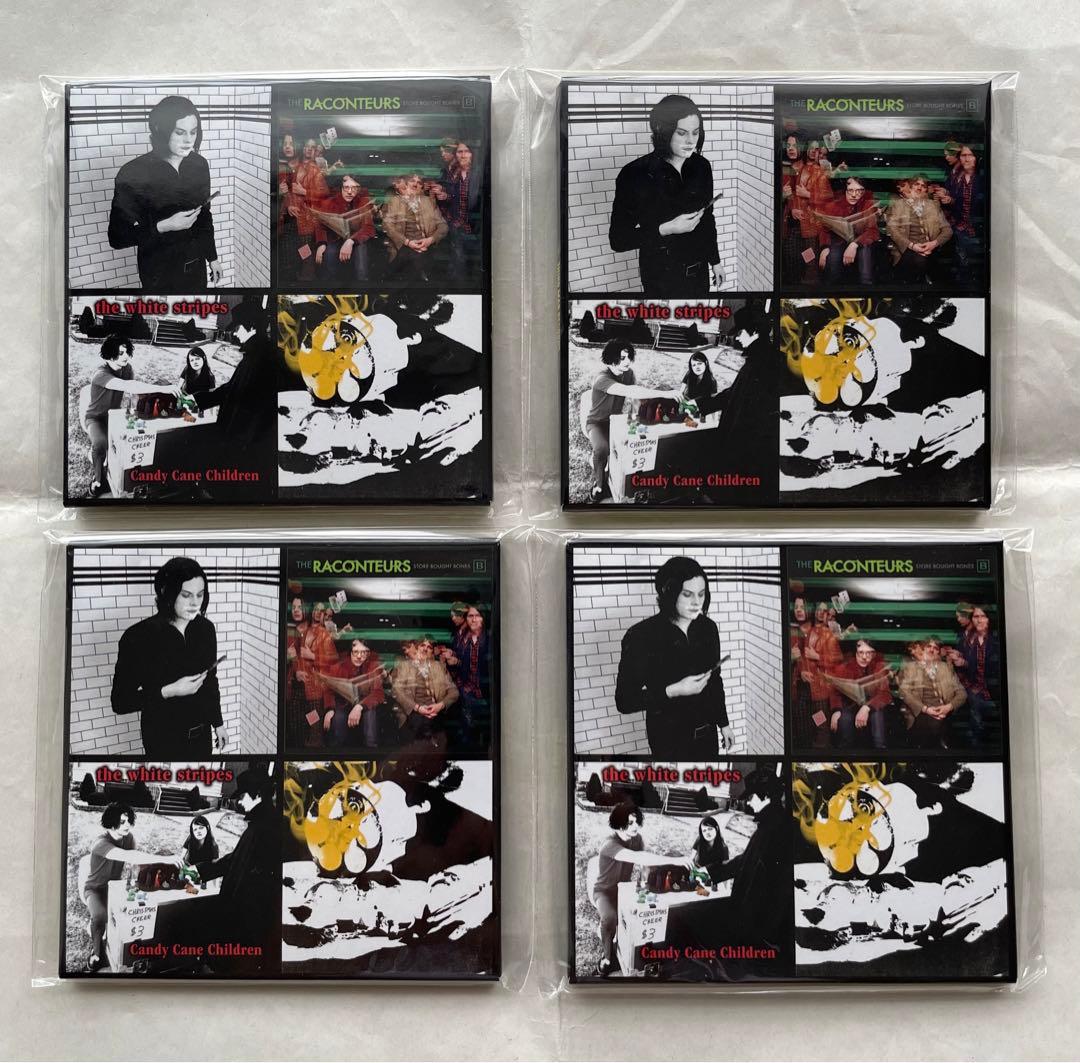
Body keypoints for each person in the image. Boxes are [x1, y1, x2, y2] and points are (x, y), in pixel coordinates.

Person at [614, 556, 734, 758]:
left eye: (702, 594)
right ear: (668, 593)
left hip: (707, 735)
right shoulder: (641, 636)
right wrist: (673, 691)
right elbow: (624, 701)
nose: (697, 602)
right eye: (687, 594)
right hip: (667, 740)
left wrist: (724, 724)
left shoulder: (708, 628)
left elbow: (715, 681)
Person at [111, 556, 228, 757]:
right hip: (162, 741)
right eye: (186, 595)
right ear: (166, 592)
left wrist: (218, 724)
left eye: (200, 595)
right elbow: (120, 702)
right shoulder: (138, 637)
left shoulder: (206, 629)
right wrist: (169, 691)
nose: (195, 603)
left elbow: (210, 682)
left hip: (201, 738)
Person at [608, 95, 723, 296]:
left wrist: (716, 262)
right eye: (681, 133)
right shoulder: (634, 174)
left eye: (696, 132)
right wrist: (667, 228)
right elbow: (618, 240)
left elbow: (707, 219)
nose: (691, 141)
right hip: (660, 278)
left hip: (699, 274)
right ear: (662, 130)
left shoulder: (702, 167)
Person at [107, 96, 222, 290]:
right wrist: (163, 226)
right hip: (157, 272)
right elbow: (117, 237)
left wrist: (213, 258)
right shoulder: (133, 172)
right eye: (180, 132)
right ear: (161, 130)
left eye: (193, 132)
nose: (188, 140)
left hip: (195, 267)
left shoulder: (199, 165)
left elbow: (204, 216)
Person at [591, 803, 692, 977]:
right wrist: (676, 860)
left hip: (624, 889)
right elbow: (638, 857)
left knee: (640, 915)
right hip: (604, 892)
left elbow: (644, 865)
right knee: (610, 918)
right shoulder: (609, 844)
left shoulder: (636, 839)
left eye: (637, 821)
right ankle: (606, 959)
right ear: (618, 823)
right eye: (630, 823)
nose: (635, 826)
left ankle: (636, 953)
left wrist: (645, 884)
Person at [194, 767, 278, 972]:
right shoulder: (258, 824)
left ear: (257, 794)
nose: (239, 802)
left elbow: (256, 880)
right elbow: (235, 860)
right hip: (239, 914)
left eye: (242, 796)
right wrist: (200, 871)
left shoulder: (265, 828)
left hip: (244, 919)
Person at [81, 803, 181, 973]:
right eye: (122, 822)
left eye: (129, 821)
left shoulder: (128, 838)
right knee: (100, 916)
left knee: (130, 914)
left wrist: (134, 883)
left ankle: (125, 953)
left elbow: (133, 865)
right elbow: (130, 856)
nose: (127, 825)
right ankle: (95, 955)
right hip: (94, 889)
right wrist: (166, 859)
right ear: (111, 823)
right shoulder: (101, 843)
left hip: (114, 886)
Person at [583, 340, 682, 502]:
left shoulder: (628, 373)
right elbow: (631, 391)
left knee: (632, 446)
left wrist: (634, 421)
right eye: (622, 358)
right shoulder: (601, 378)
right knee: (602, 449)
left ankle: (625, 485)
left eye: (629, 357)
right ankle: (598, 486)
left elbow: (635, 400)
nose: (627, 361)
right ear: (611, 359)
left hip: (615, 420)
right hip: (596, 423)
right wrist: (666, 394)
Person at [83, 334, 178, 498]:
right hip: (95, 418)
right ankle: (97, 482)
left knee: (129, 442)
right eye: (120, 353)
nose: (126, 356)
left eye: (127, 352)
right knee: (100, 444)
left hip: (114, 415)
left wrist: (133, 414)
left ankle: (122, 477)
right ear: (109, 354)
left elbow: (131, 394)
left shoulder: (126, 369)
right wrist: (164, 389)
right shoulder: (100, 374)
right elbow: (129, 386)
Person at [790, 597, 842, 750]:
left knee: (820, 727)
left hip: (818, 691)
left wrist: (818, 656)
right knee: (802, 730)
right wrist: (799, 669)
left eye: (802, 607)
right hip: (801, 691)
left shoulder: (825, 633)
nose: (799, 610)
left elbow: (838, 660)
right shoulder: (794, 631)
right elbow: (797, 658)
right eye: (796, 607)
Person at [390, 636, 459, 750]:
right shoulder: (405, 666)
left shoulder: (439, 667)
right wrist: (417, 708)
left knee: (438, 732)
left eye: (429, 647)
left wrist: (440, 705)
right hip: (412, 712)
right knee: (420, 728)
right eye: (422, 645)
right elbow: (397, 690)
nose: (425, 649)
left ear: (432, 651)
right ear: (417, 648)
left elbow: (454, 692)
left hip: (436, 711)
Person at [898, 636, 967, 748]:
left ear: (938, 652)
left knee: (939, 725)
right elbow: (904, 692)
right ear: (923, 649)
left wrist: (948, 707)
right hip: (921, 712)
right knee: (933, 726)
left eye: (935, 648)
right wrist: (925, 709)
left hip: (945, 711)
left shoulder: (945, 667)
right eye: (929, 646)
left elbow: (962, 693)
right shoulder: (911, 668)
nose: (931, 650)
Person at [781, 135, 831, 285]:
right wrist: (791, 208)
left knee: (809, 263)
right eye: (788, 146)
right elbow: (789, 194)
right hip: (791, 226)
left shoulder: (815, 170)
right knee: (791, 264)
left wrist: (808, 194)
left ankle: (807, 290)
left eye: (795, 145)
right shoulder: (787, 168)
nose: (791, 149)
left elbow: (828, 197)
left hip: (809, 227)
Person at [885, 175, 952, 286]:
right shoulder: (899, 205)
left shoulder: (933, 205)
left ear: (926, 190)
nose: (919, 188)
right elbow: (892, 230)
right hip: (906, 248)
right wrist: (912, 246)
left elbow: (948, 230)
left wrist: (933, 244)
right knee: (919, 262)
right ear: (910, 187)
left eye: (923, 186)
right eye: (916, 184)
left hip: (931, 248)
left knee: (927, 264)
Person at [382, 173, 449, 283]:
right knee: (413, 259)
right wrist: (408, 242)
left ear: (421, 187)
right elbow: (388, 226)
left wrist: (430, 240)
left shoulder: (428, 201)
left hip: (426, 245)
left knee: (414, 260)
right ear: (406, 184)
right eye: (412, 181)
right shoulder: (395, 201)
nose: (415, 184)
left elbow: (443, 226)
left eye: (419, 182)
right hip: (403, 244)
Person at [321, 638, 385, 749]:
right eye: (355, 652)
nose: (359, 656)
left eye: (363, 652)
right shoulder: (339, 666)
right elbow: (328, 690)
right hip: (343, 704)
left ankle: (371, 751)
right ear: (350, 652)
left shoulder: (372, 666)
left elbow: (378, 693)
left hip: (364, 704)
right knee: (338, 718)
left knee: (370, 715)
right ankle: (337, 754)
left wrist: (359, 707)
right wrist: (329, 709)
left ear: (368, 653)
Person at [830, 638, 893, 750]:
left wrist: (866, 708)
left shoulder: (878, 666)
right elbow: (835, 692)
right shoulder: (844, 667)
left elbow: (885, 693)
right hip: (850, 706)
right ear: (855, 652)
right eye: (861, 652)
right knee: (844, 719)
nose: (864, 657)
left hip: (872, 706)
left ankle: (880, 752)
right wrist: (836, 710)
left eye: (868, 653)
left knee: (877, 716)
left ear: (874, 653)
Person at [952, 605, 1001, 747]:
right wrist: (962, 661)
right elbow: (969, 667)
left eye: (982, 616)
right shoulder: (968, 640)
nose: (979, 620)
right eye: (976, 617)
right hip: (974, 691)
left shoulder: (996, 640)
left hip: (993, 692)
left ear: (989, 619)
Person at [818, 176, 880, 285]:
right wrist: (824, 247)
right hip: (839, 241)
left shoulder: (867, 204)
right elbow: (825, 229)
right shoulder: (834, 205)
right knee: (833, 260)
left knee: (865, 256)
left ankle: (866, 289)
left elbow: (872, 231)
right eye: (850, 190)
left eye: (859, 191)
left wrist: (854, 244)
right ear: (845, 190)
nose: (854, 194)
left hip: (861, 242)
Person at [938, 144, 986, 284]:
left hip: (977, 228)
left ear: (977, 157)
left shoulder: (984, 178)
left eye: (970, 155)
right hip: (959, 225)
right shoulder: (957, 177)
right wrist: (948, 199)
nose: (966, 159)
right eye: (963, 155)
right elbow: (956, 201)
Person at [316, 173, 376, 284]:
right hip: (335, 239)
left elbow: (368, 227)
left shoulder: (362, 202)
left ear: (358, 189)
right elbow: (321, 225)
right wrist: (321, 243)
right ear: (341, 188)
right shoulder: (330, 203)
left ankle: (362, 287)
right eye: (346, 187)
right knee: (329, 255)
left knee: (361, 261)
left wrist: (351, 241)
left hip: (356, 240)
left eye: (354, 188)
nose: (349, 191)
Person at [290, 138, 331, 282]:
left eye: (312, 147)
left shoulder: (316, 169)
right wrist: (290, 205)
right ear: (303, 149)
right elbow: (292, 190)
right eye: (307, 146)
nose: (309, 149)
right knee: (303, 251)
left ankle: (307, 278)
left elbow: (324, 193)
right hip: (298, 219)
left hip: (310, 220)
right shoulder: (299, 167)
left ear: (315, 151)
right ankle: (306, 276)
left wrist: (305, 192)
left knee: (307, 252)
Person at [444, 140, 482, 279]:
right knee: (458, 264)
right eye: (460, 152)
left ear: (472, 154)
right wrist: (444, 196)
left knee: (477, 262)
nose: (463, 155)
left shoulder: (479, 172)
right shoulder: (452, 173)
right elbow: (450, 198)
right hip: (457, 225)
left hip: (476, 226)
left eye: (467, 151)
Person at [455, 605, 491, 748]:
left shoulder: (490, 638)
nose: (474, 619)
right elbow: (458, 665)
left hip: (486, 694)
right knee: (468, 738)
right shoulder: (461, 639)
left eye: (478, 616)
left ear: (483, 618)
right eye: (470, 616)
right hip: (466, 694)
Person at [689, 815, 729, 883]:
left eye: (710, 829)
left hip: (711, 876)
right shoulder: (700, 839)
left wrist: (726, 888)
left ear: (716, 828)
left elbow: (726, 870)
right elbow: (691, 857)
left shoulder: (723, 848)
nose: (707, 833)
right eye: (704, 831)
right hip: (696, 871)